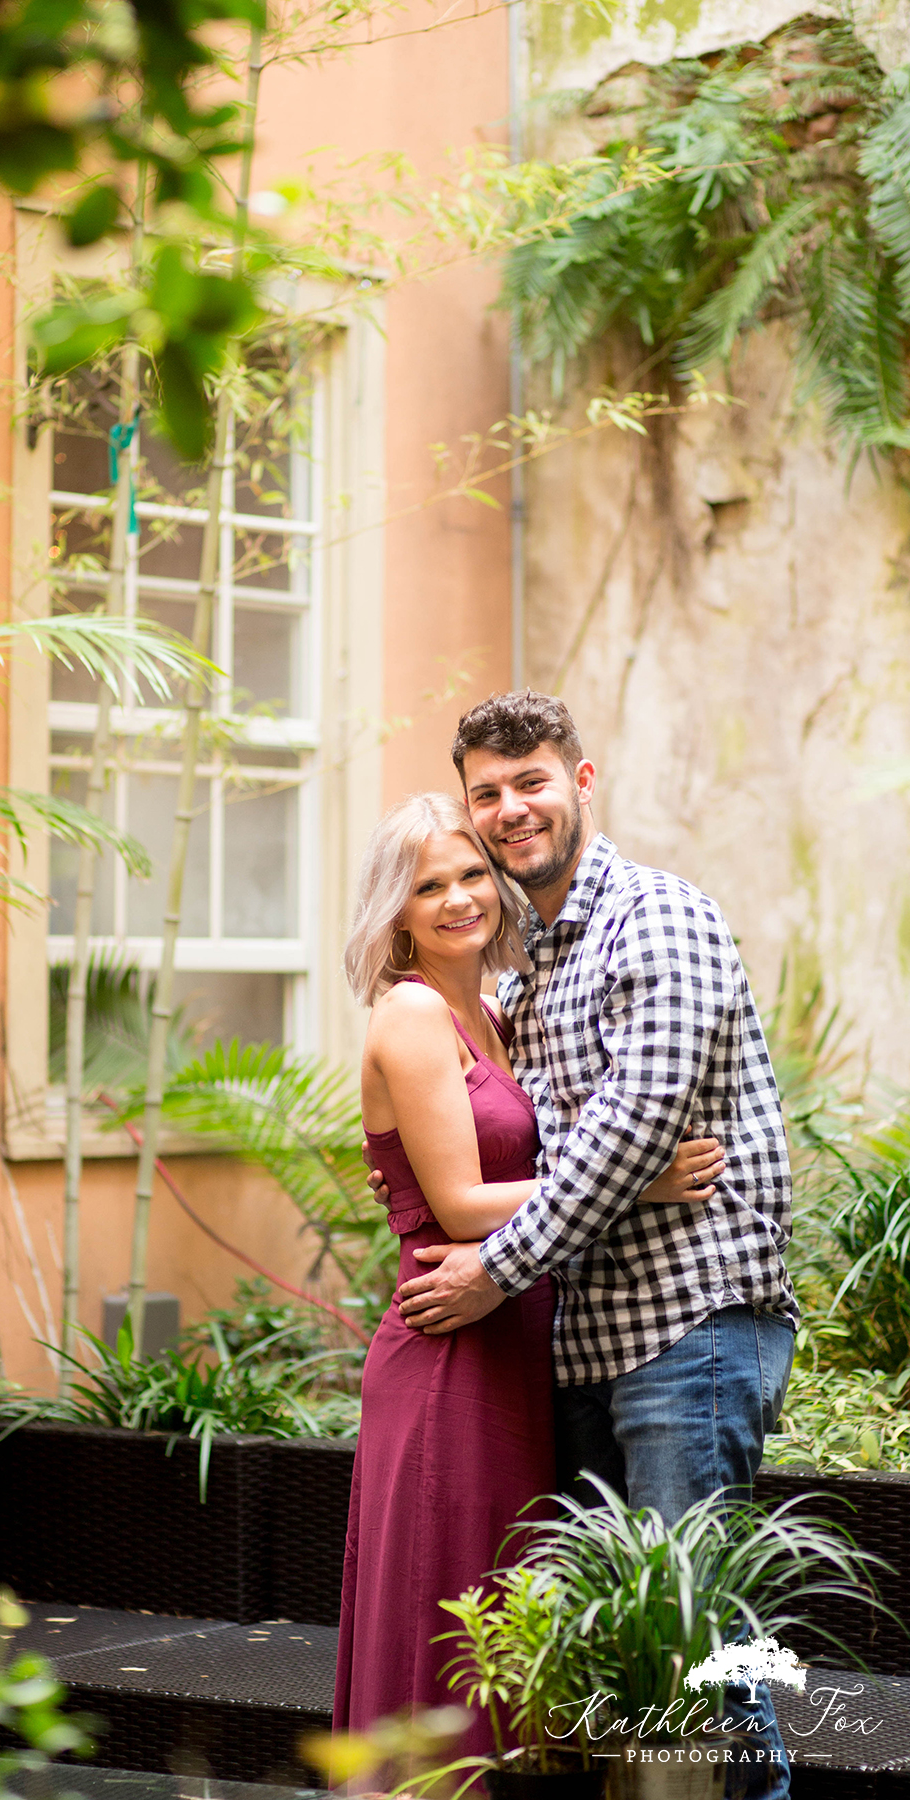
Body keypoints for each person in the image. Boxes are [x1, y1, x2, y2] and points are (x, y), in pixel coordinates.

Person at [375, 692, 799, 1800]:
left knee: (695, 1632)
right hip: (579, 1347)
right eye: (487, 794)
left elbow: (629, 1131)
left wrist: (494, 1270)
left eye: (532, 782)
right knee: (615, 1654)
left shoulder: (657, 919)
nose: (511, 811)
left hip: (691, 1328)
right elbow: (549, 1148)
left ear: (582, 780)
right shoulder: (522, 971)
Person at [336, 790, 724, 1757]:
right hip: (449, 1352)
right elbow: (465, 1201)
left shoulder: (496, 1014)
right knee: (451, 1614)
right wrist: (638, 1180)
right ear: (396, 911)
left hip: (515, 1342)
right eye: (430, 885)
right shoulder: (414, 1012)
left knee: (513, 1621)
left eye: (473, 873)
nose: (461, 897)